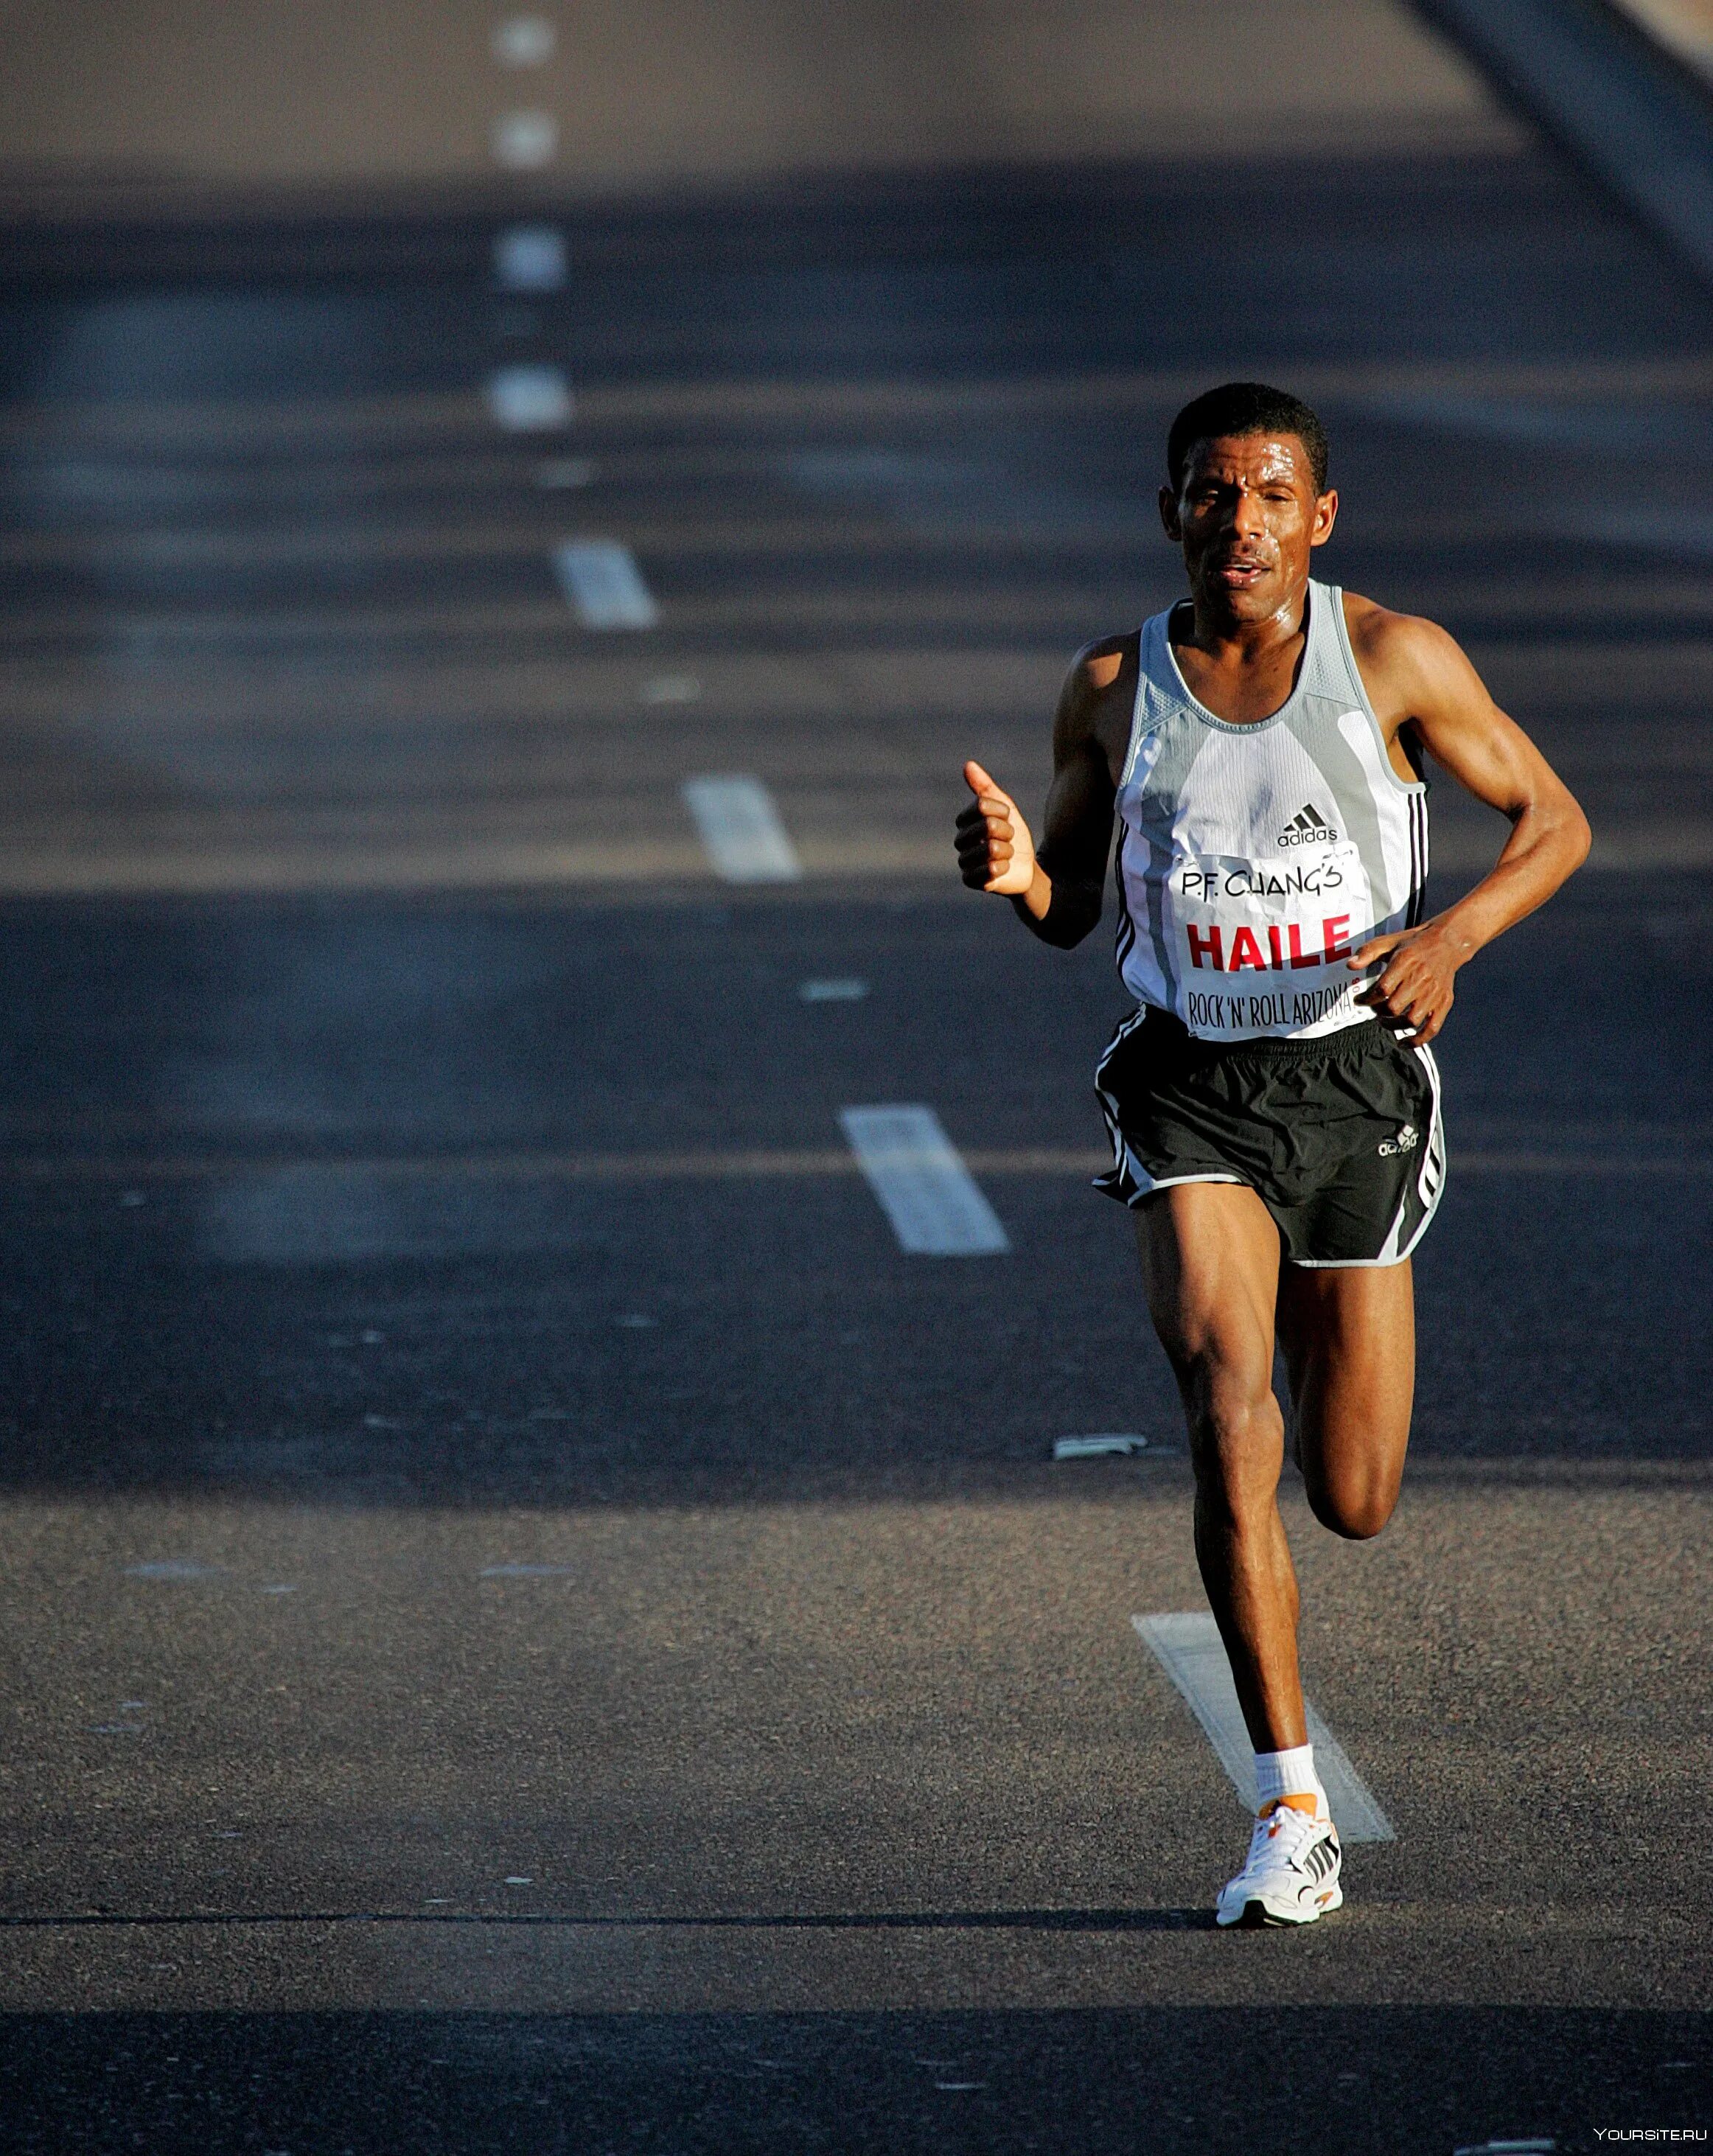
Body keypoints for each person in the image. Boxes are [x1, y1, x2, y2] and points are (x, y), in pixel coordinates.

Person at [955, 381, 1589, 1926]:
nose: (1236, 519)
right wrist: (1027, 869)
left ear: (1318, 516)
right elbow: (1069, 910)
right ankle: (1286, 1807)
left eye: (1266, 493)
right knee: (1223, 1396)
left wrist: (1448, 936)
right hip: (1189, 1088)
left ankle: (1315, 1317)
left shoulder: (1392, 659)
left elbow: (1555, 820)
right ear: (1169, 512)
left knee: (1355, 1492)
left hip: (1358, 1085)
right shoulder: (1113, 686)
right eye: (1208, 492)